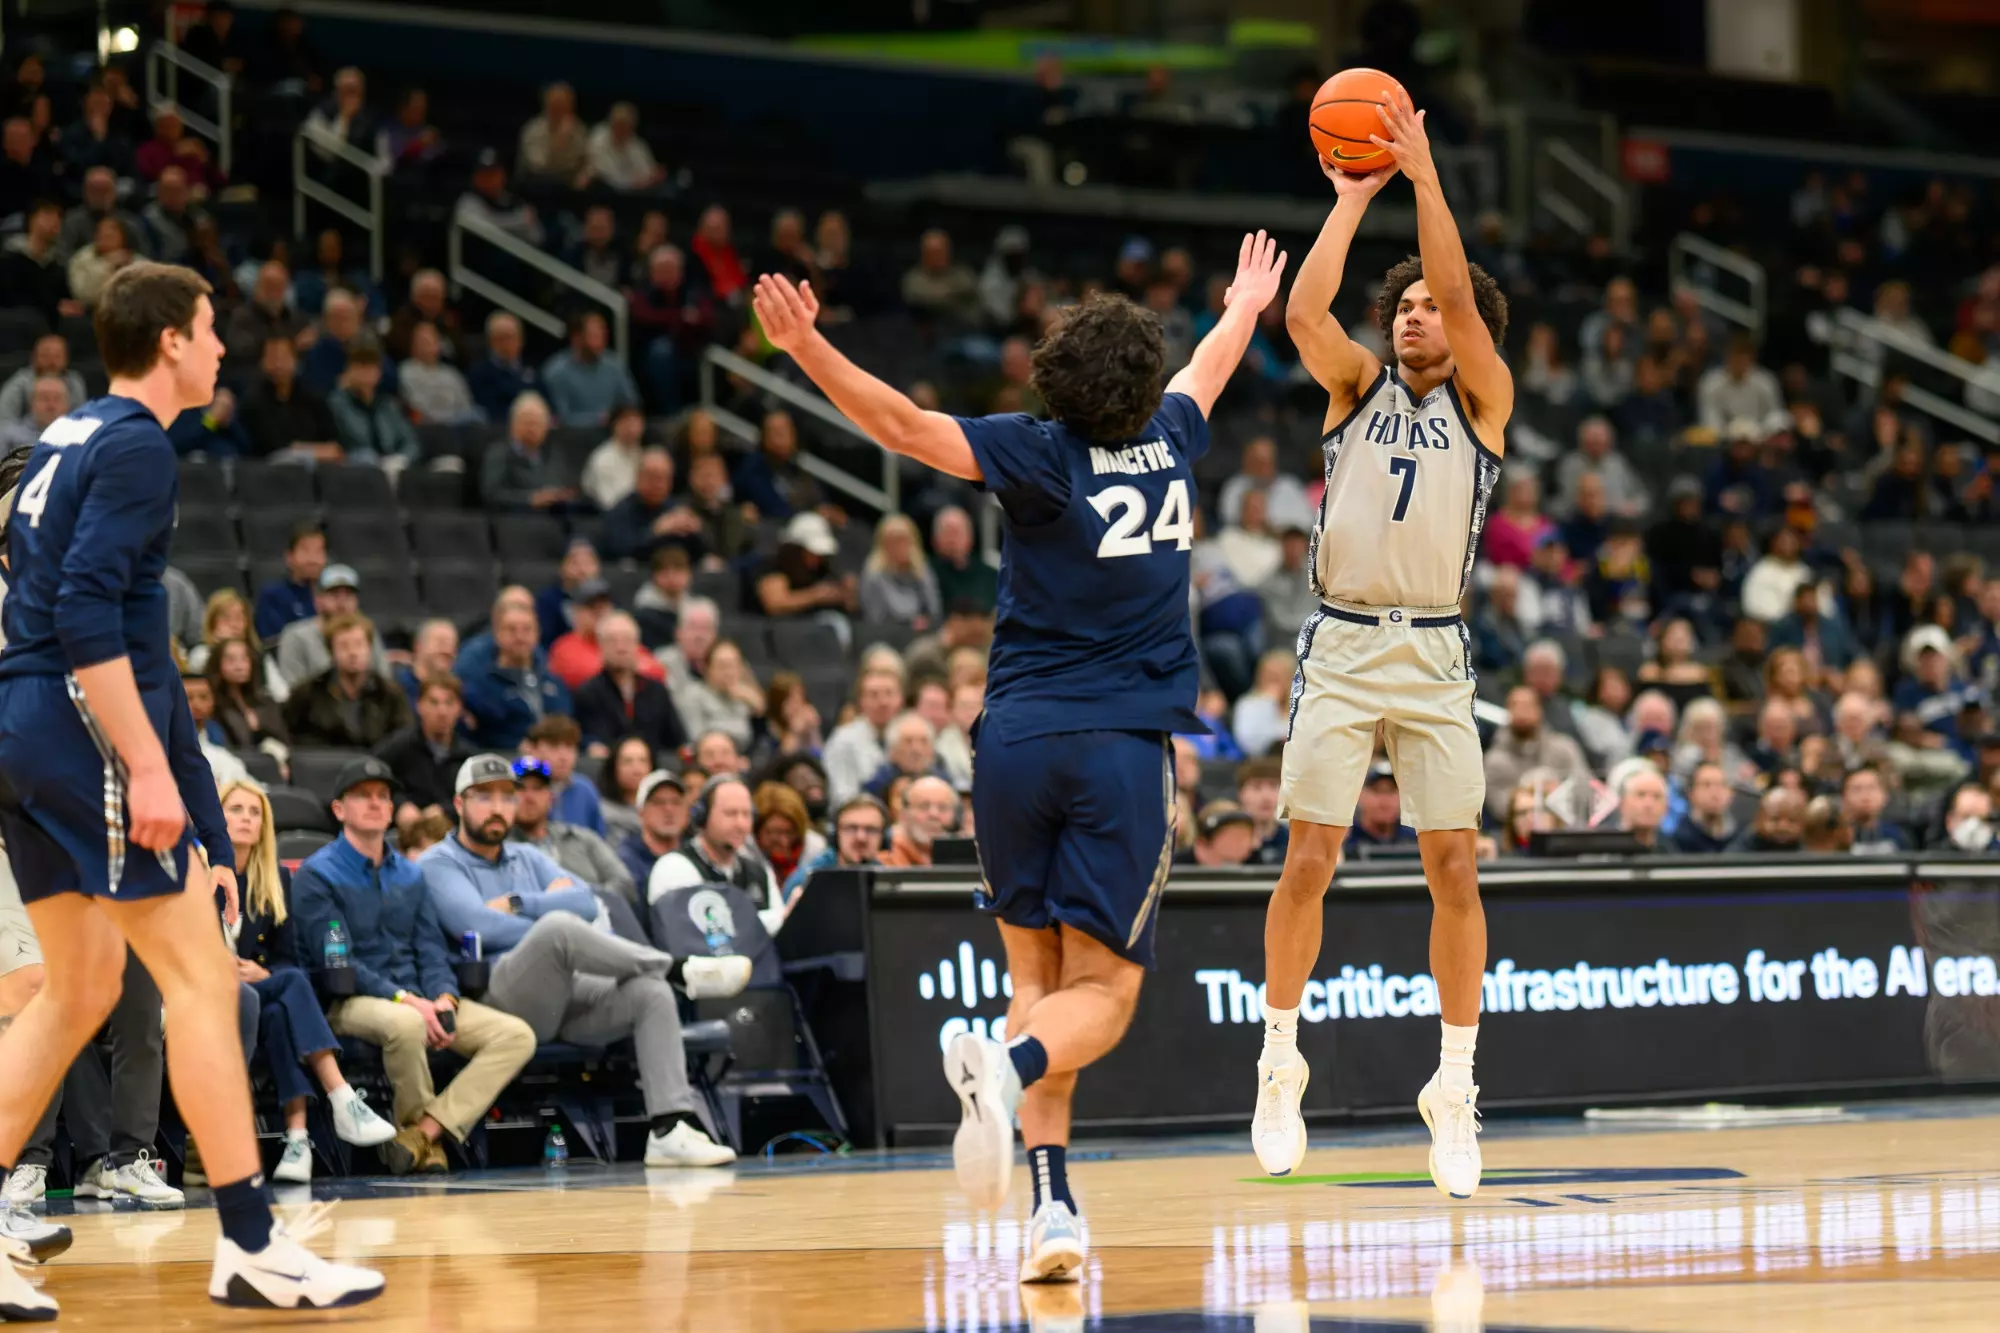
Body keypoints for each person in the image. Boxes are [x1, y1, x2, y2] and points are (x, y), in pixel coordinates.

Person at [751, 220, 1285, 1282]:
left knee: (1034, 980)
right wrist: (1242, 305)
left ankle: (1051, 1209)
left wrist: (805, 346)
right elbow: (1212, 360)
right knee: (1103, 998)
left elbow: (899, 423)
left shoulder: (1034, 453)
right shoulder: (1174, 433)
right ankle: (1006, 1069)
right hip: (1118, 751)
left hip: (1011, 746)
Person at [0, 263, 382, 1313]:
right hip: (78, 722)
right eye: (212, 330)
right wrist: (153, 766)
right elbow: (87, 617)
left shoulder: (74, 432)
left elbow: (104, 626)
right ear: (170, 339)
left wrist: (186, 802)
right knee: (204, 979)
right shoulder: (134, 446)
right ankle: (253, 1242)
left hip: (22, 724)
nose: (222, 349)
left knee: (77, 989)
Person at [1253, 103, 1514, 1199]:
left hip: (1437, 653)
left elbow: (1459, 293)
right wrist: (1352, 194)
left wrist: (1423, 178)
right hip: (1343, 644)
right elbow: (1303, 306)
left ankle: (1451, 1086)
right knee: (1307, 855)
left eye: (1425, 307)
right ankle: (1277, 1061)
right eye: (1399, 306)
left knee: (1451, 865)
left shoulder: (1484, 402)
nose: (1413, 315)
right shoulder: (1352, 387)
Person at [422, 755, 745, 1166]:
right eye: (483, 797)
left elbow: (588, 903)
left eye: (507, 796)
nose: (497, 807)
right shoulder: (438, 862)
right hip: (498, 997)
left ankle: (669, 1129)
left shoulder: (527, 856)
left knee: (650, 992)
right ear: (459, 803)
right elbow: (477, 926)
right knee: (558, 928)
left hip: (564, 994)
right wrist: (550, 920)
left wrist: (522, 901)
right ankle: (678, 967)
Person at [220, 779, 397, 1182]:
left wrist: (263, 973)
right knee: (293, 987)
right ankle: (341, 1097)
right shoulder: (202, 874)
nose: (246, 819)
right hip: (213, 995)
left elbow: (286, 958)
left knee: (285, 1004)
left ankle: (298, 1142)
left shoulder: (276, 878)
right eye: (236, 810)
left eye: (254, 813)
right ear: (216, 816)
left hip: (259, 995)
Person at [646, 775, 788, 934]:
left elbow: (781, 927)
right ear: (702, 816)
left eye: (746, 814)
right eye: (730, 814)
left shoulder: (759, 870)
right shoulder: (674, 867)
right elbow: (694, 934)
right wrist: (770, 921)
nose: (740, 824)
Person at [507, 754, 638, 909]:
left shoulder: (582, 838)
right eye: (521, 788)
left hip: (597, 920)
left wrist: (585, 899)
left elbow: (626, 884)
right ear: (507, 797)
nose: (529, 797)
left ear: (551, 797)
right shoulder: (502, 850)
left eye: (537, 788)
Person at [283, 613, 411, 749]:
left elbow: (402, 738)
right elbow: (288, 731)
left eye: (359, 645)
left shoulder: (389, 694)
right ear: (331, 652)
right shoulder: (308, 693)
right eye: (344, 646)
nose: (353, 653)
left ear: (369, 649)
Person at [373, 673, 476, 837]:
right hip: (401, 835)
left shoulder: (469, 758)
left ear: (459, 708)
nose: (442, 711)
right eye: (434, 702)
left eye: (449, 703)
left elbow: (476, 798)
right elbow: (371, 779)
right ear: (419, 705)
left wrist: (445, 811)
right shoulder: (397, 747)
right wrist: (399, 805)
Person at [574, 610, 686, 755]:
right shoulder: (588, 693)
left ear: (637, 646)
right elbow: (584, 738)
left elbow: (677, 739)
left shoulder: (657, 690)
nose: (621, 648)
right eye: (612, 640)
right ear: (600, 646)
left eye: (627, 640)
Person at [823, 665, 905, 806]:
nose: (883, 702)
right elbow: (842, 798)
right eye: (874, 695)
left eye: (889, 693)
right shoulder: (843, 740)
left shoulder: (911, 734)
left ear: (901, 698)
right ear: (861, 701)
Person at [785, 793, 886, 893]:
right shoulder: (807, 880)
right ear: (836, 833)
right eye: (851, 828)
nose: (861, 837)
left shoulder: (885, 878)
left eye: (871, 829)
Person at [253, 519, 328, 640]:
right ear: (289, 557)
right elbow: (273, 642)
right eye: (305, 550)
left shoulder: (333, 596)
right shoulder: (273, 595)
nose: (313, 559)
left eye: (319, 551)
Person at [617, 769, 687, 891]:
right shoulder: (626, 862)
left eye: (676, 802)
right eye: (659, 802)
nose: (669, 809)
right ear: (641, 812)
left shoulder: (696, 855)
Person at [1345, 761, 1418, 856]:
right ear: (1360, 794)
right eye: (1377, 791)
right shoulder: (1346, 838)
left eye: (1391, 791)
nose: (1385, 800)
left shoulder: (1415, 838)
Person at [1669, 761, 1738, 853]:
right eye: (1706, 785)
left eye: (1721, 785)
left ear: (1731, 794)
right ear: (1691, 794)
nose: (1715, 792)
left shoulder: (1739, 836)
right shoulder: (1679, 841)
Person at [1174, 801, 1258, 866]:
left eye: (1246, 835)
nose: (1244, 843)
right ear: (1202, 842)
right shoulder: (1175, 866)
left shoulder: (1256, 861)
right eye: (1235, 836)